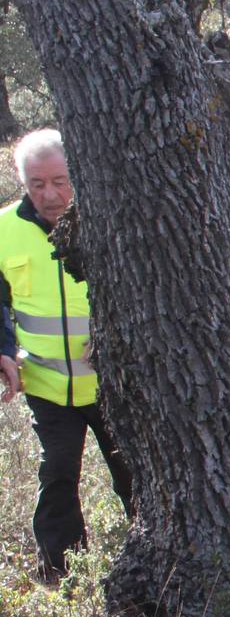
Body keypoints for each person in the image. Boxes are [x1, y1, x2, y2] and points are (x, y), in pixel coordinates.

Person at [1, 129, 134, 582]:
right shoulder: (3, 230)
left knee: (134, 473)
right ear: (24, 183)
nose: (50, 194)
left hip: (114, 385)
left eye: (60, 181)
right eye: (38, 184)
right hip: (47, 384)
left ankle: (158, 559)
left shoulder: (110, 219)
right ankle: (62, 575)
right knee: (58, 475)